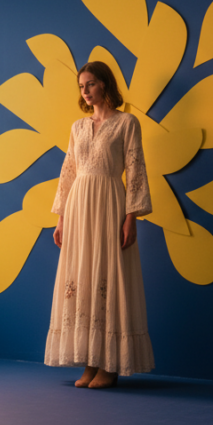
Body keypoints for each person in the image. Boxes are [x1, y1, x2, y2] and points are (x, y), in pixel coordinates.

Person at [45, 61, 155, 389]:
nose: (85, 91)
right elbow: (68, 172)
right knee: (82, 276)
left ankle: (110, 365)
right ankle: (90, 362)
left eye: (90, 84)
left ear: (104, 84)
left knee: (108, 275)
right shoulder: (78, 127)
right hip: (79, 207)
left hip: (109, 204)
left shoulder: (127, 123)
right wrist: (61, 218)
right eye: (81, 86)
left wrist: (131, 217)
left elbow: (135, 170)